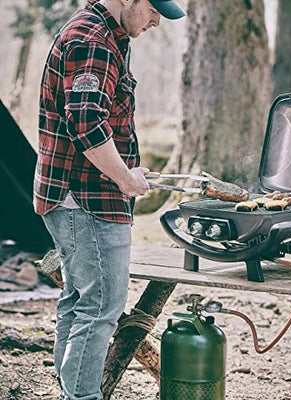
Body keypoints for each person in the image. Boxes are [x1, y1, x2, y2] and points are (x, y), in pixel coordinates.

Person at [33, 0, 185, 398]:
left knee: (79, 301)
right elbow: (85, 123)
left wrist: (129, 170)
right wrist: (124, 177)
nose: (157, 20)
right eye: (154, 9)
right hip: (86, 199)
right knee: (101, 309)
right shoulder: (94, 39)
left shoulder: (106, 35)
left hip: (75, 196)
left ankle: (73, 394)